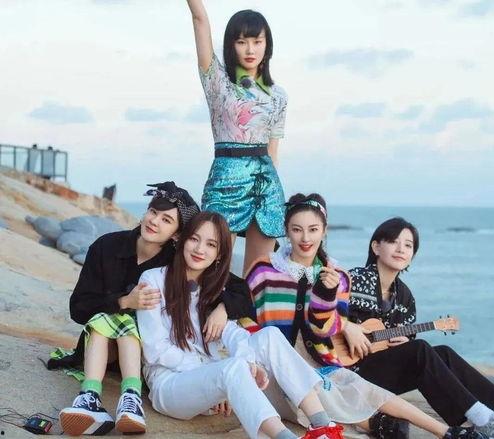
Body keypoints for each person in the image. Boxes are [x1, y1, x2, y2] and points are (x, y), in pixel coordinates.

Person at [243, 194, 488, 439]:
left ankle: (468, 424)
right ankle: (383, 424)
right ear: (287, 231)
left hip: (329, 361)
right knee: (400, 365)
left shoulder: (353, 281)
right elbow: (244, 311)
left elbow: (324, 327)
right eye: (297, 230)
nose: (305, 238)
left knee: (429, 357)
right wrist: (347, 326)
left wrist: (327, 295)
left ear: (324, 231)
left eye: (313, 229)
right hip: (292, 361)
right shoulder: (266, 269)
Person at [55, 182, 252, 436]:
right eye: (153, 212)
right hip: (103, 348)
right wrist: (124, 302)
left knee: (128, 326)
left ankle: (129, 398)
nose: (154, 221)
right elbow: (78, 308)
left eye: (166, 220)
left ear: (177, 235)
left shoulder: (176, 263)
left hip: (146, 357)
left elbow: (239, 289)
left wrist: (223, 308)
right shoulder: (107, 247)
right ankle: (90, 399)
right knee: (111, 319)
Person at [137, 211, 346, 439]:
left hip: (211, 375)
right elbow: (156, 350)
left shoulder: (215, 286)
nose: (199, 250)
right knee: (233, 367)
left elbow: (232, 333)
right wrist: (217, 373)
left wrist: (248, 363)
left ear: (219, 254)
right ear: (182, 239)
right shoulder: (153, 280)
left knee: (270, 336)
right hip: (170, 384)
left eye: (211, 244)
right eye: (194, 239)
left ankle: (322, 425)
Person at [347, 217, 494, 439]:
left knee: (443, 353)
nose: (401, 249)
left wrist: (404, 344)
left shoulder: (405, 297)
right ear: (376, 247)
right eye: (393, 241)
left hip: (381, 374)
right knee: (419, 349)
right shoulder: (354, 280)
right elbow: (323, 313)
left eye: (408, 245)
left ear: (412, 255)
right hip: (348, 372)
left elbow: (405, 348)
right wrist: (348, 327)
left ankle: (488, 412)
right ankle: (483, 419)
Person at [186, 0, 288, 273]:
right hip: (226, 179)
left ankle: (248, 306)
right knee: (213, 267)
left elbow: (273, 151)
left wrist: (273, 188)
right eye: (242, 42)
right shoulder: (217, 81)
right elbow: (199, 20)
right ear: (231, 45)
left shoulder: (278, 95)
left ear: (267, 45)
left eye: (257, 41)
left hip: (266, 184)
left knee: (258, 273)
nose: (250, 49)